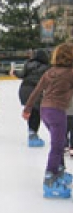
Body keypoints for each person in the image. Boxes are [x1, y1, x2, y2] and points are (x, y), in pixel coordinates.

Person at [23, 43, 73, 199]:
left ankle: (58, 173)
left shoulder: (49, 72)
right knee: (58, 146)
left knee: (60, 142)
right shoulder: (70, 72)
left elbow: (36, 91)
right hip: (58, 111)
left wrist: (27, 109)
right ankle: (49, 179)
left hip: (45, 110)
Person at [11, 49, 50, 147]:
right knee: (36, 112)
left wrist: (14, 72)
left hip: (23, 90)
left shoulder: (28, 64)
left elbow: (21, 75)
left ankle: (32, 133)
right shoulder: (47, 67)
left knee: (32, 111)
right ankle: (32, 135)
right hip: (34, 90)